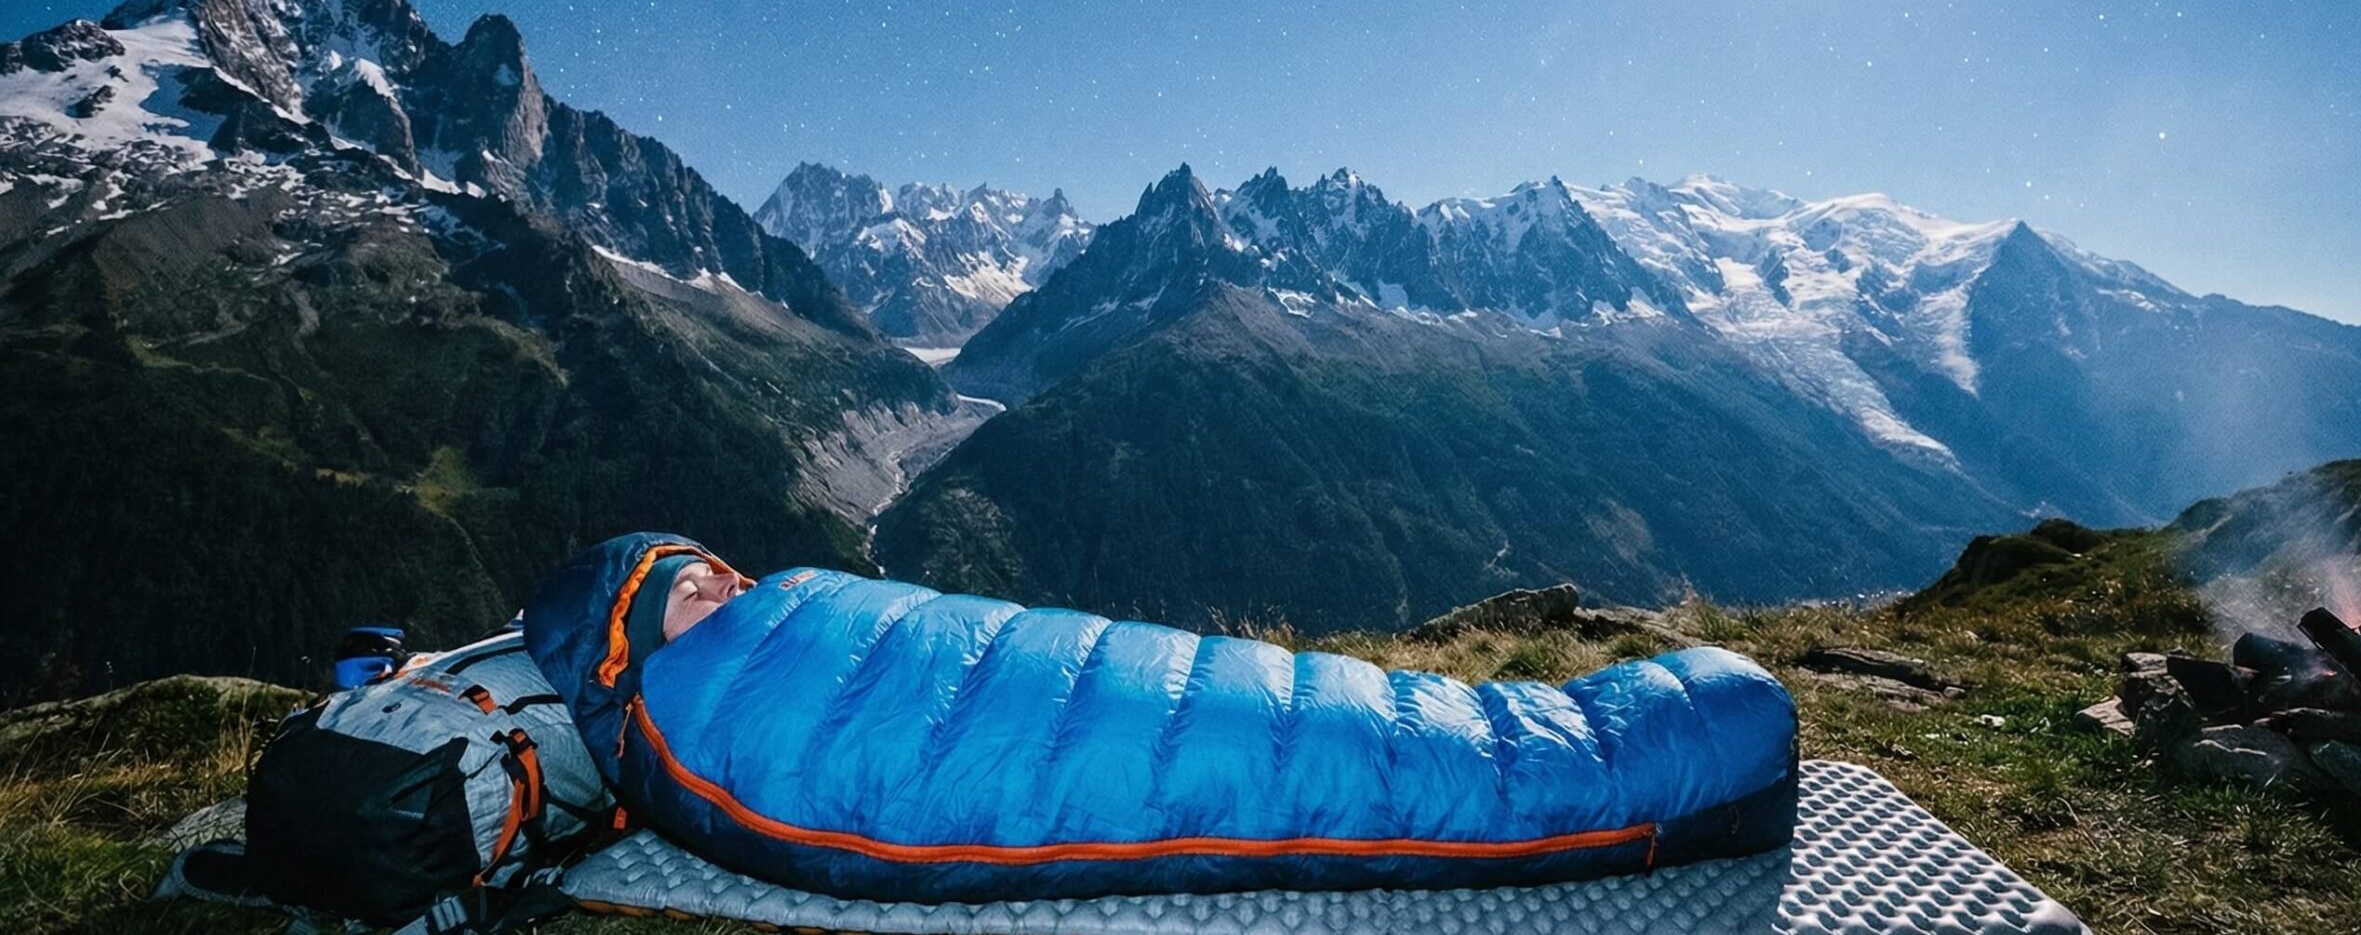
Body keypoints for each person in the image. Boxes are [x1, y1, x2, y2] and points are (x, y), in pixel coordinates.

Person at [524, 532, 1796, 905]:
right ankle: (1692, 759)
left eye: (717, 569)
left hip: (1019, 671)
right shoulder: (694, 706)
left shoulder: (786, 609)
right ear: (625, 652)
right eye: (688, 592)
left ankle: (1673, 734)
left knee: (1314, 709)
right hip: (977, 725)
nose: (726, 588)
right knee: (1295, 758)